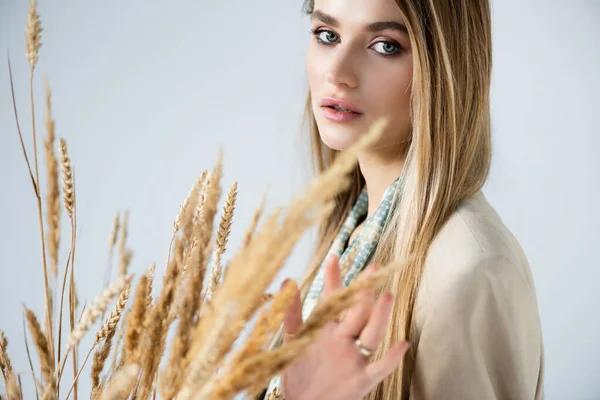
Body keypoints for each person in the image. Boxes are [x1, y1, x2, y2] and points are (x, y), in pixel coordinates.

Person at [258, 0, 545, 398]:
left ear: (444, 68)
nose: (337, 74)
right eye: (328, 36)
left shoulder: (468, 271)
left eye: (385, 45)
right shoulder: (354, 231)